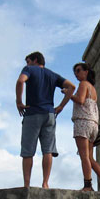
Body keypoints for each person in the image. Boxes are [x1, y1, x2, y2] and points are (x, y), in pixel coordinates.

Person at [16, 51, 75, 189]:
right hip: (49, 114)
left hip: (32, 113)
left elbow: (20, 81)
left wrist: (19, 101)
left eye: (28, 61)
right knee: (47, 150)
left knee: (28, 151)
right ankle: (45, 183)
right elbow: (71, 87)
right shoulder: (52, 75)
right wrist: (61, 106)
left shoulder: (29, 70)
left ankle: (26, 184)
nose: (27, 64)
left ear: (35, 60)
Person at [68, 63, 100, 192]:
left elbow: (80, 100)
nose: (76, 74)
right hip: (93, 125)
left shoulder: (83, 84)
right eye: (75, 72)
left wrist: (69, 94)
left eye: (78, 71)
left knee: (84, 156)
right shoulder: (93, 89)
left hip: (83, 122)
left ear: (86, 72)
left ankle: (88, 186)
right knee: (90, 157)